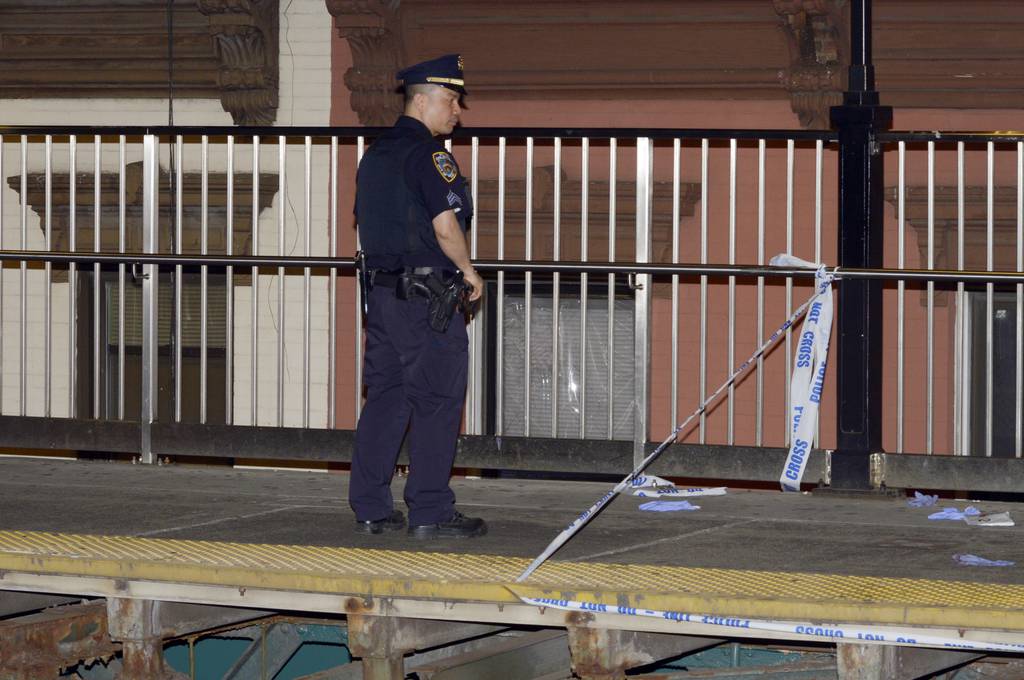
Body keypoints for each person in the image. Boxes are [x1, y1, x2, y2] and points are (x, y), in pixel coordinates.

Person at [349, 54, 486, 540]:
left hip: (382, 297)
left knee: (386, 396)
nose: (457, 111)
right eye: (451, 100)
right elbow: (445, 225)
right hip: (426, 299)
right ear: (423, 100)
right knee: (437, 399)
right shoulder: (430, 155)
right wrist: (469, 272)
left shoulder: (376, 154)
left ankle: (370, 506)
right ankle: (429, 509)